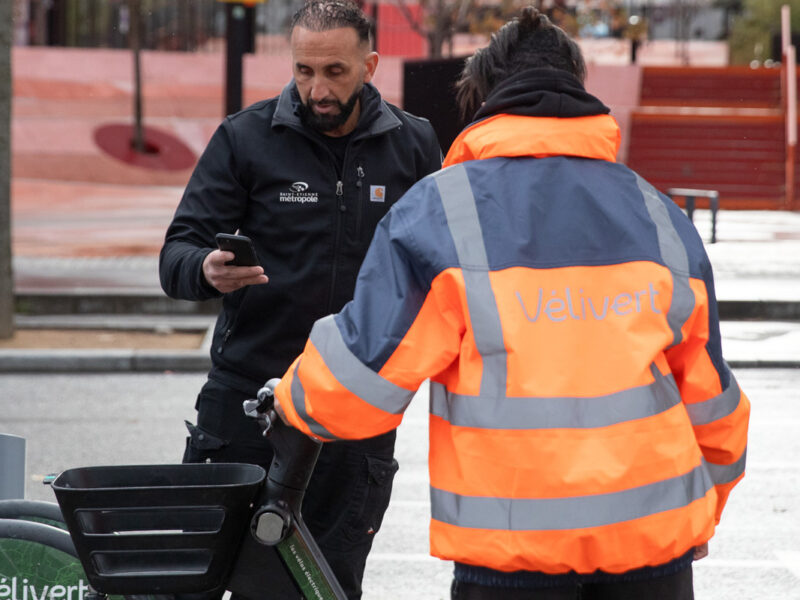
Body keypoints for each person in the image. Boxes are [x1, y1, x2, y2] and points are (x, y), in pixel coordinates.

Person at [271, 7, 750, 599]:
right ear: (579, 91)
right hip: (652, 546)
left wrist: (290, 397)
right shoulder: (658, 216)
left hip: (511, 553)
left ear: (484, 99)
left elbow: (359, 385)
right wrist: (705, 509)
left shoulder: (441, 213)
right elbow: (712, 399)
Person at [158, 0, 442, 597]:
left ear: (370, 65)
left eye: (335, 72)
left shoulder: (415, 146)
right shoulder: (244, 137)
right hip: (244, 405)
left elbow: (442, 268)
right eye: (304, 70)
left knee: (330, 586)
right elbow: (176, 253)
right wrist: (205, 270)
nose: (317, 88)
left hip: (356, 410)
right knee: (210, 581)